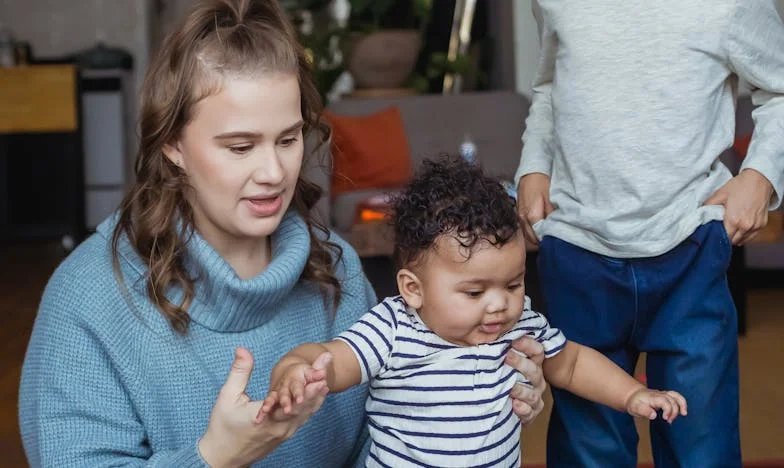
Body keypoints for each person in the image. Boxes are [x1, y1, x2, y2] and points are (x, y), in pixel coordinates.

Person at [18, 1, 549, 466]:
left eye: (289, 138)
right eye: (240, 147)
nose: (274, 172)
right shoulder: (88, 297)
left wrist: (475, 407)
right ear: (173, 147)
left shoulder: (337, 268)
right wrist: (216, 457)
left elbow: (384, 441)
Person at [261, 158, 687, 467]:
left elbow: (572, 363)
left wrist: (632, 394)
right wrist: (298, 370)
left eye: (514, 284)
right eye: (474, 291)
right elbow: (337, 359)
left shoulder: (518, 325)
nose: (499, 303)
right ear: (414, 289)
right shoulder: (393, 328)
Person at [516, 1, 784, 466]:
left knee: (701, 444)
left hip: (691, 247)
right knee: (588, 448)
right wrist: (534, 165)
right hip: (578, 248)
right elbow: (549, 85)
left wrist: (761, 176)